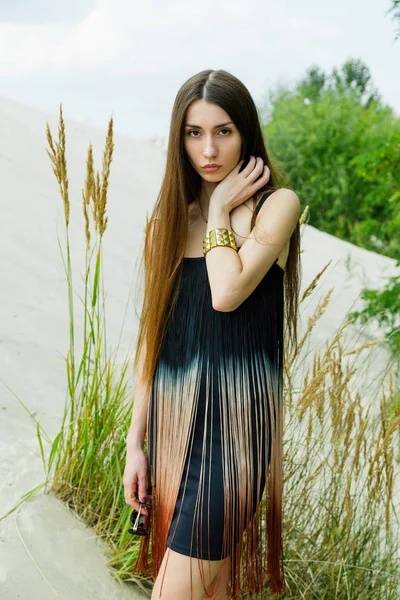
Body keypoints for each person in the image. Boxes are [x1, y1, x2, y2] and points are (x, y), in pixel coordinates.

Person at [123, 69, 301, 600]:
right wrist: (136, 444)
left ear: (245, 132)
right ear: (179, 139)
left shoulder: (277, 206)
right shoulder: (169, 221)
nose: (208, 149)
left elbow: (226, 292)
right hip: (175, 432)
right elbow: (150, 342)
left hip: (235, 441)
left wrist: (222, 208)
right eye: (194, 133)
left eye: (223, 131)